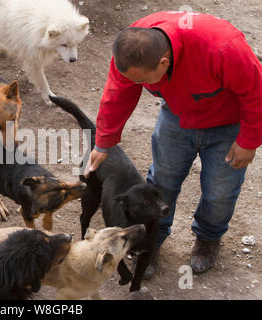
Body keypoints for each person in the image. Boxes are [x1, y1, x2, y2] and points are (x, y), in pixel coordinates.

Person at [85, 11, 262, 277]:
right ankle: (152, 240)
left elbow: (256, 93)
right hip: (177, 118)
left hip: (227, 124)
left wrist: (248, 141)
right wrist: (104, 142)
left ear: (164, 62)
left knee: (220, 191)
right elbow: (117, 93)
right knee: (162, 183)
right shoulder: (133, 46)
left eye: (144, 81)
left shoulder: (223, 48)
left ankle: (208, 237)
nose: (139, 86)